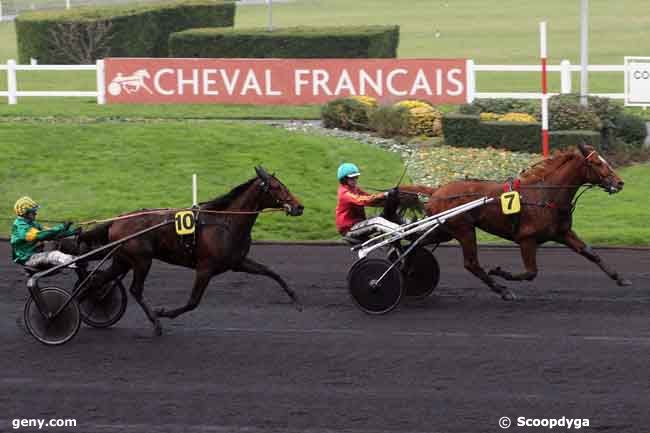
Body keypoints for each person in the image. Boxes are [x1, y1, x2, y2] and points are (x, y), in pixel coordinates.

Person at [335, 163, 402, 240]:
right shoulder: (344, 193)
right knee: (377, 221)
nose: (355, 180)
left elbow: (370, 199)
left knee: (385, 217)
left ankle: (406, 229)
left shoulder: (355, 189)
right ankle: (402, 231)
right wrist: (384, 194)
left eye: (356, 177)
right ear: (344, 179)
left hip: (357, 224)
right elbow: (362, 200)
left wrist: (390, 198)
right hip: (349, 229)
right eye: (352, 178)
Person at [11, 196, 80, 269]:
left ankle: (80, 269)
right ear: (25, 213)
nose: (35, 213)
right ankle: (76, 262)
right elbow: (41, 235)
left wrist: (71, 232)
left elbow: (50, 234)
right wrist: (62, 226)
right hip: (27, 258)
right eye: (33, 212)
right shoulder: (20, 227)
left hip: (36, 255)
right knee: (55, 255)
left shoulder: (32, 223)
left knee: (63, 244)